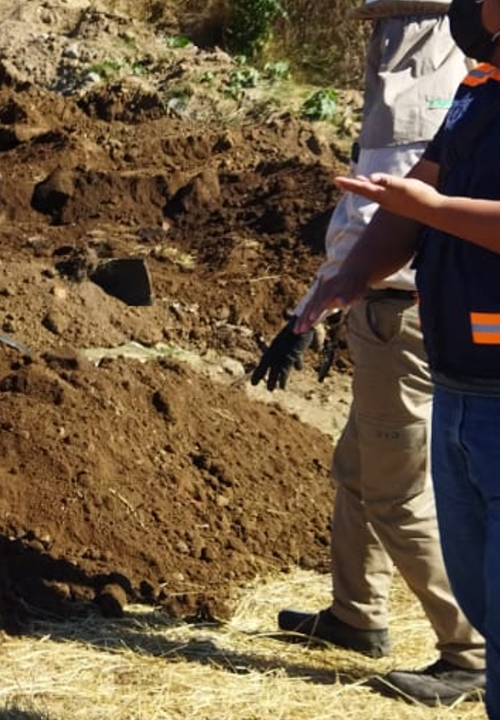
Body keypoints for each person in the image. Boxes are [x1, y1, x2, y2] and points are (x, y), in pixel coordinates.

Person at [251, 1, 486, 706]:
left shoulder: (420, 76)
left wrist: (320, 296)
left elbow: (389, 204)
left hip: (401, 316)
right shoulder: (455, 79)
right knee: (357, 467)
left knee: (395, 491)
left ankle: (470, 651)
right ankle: (355, 615)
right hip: (388, 308)